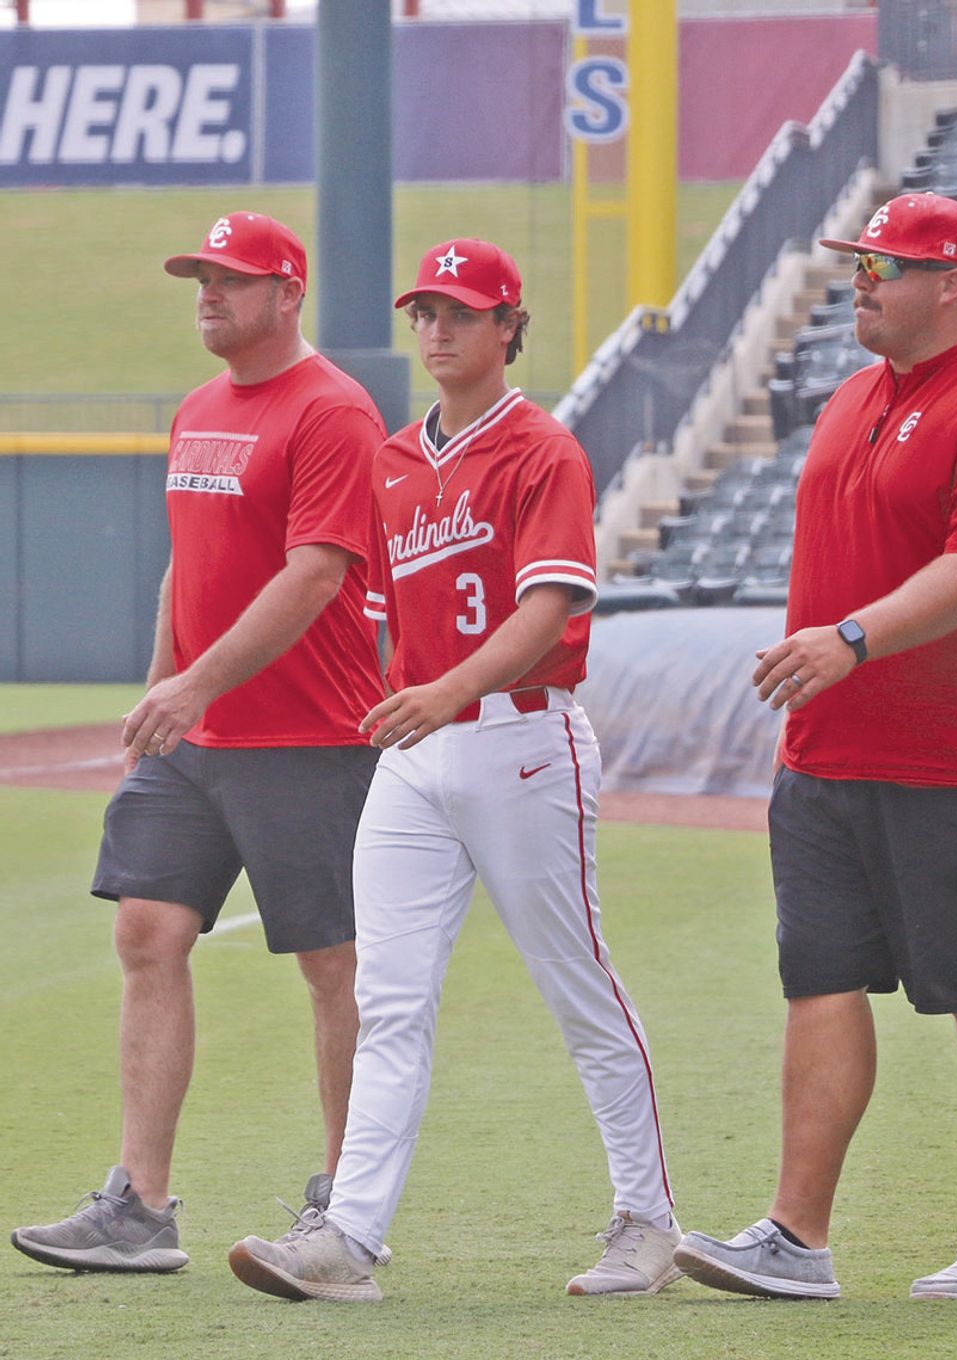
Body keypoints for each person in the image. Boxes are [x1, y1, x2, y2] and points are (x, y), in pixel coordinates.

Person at [227, 237, 680, 1304]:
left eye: (462, 312)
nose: (437, 328)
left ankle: (649, 1223)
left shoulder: (541, 450)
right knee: (388, 1001)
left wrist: (444, 693)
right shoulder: (390, 460)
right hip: (418, 754)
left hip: (525, 741)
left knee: (580, 990)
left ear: (508, 326)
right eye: (425, 309)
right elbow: (384, 614)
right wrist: (403, 700)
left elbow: (548, 609)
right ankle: (349, 1239)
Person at [673, 193, 957, 1301]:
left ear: (953, 282)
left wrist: (852, 639)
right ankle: (795, 1238)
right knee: (818, 978)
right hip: (827, 754)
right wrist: (824, 685)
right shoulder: (853, 393)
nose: (860, 280)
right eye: (856, 261)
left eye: (884, 265)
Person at [11, 212, 388, 1274]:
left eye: (231, 279)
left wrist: (192, 684)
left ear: (288, 295)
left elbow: (314, 575)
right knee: (146, 932)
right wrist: (156, 703)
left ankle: (345, 1205)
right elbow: (188, 569)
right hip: (196, 735)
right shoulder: (197, 407)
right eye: (200, 278)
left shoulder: (335, 412)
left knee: (333, 963)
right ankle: (140, 1202)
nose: (208, 294)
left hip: (310, 735)